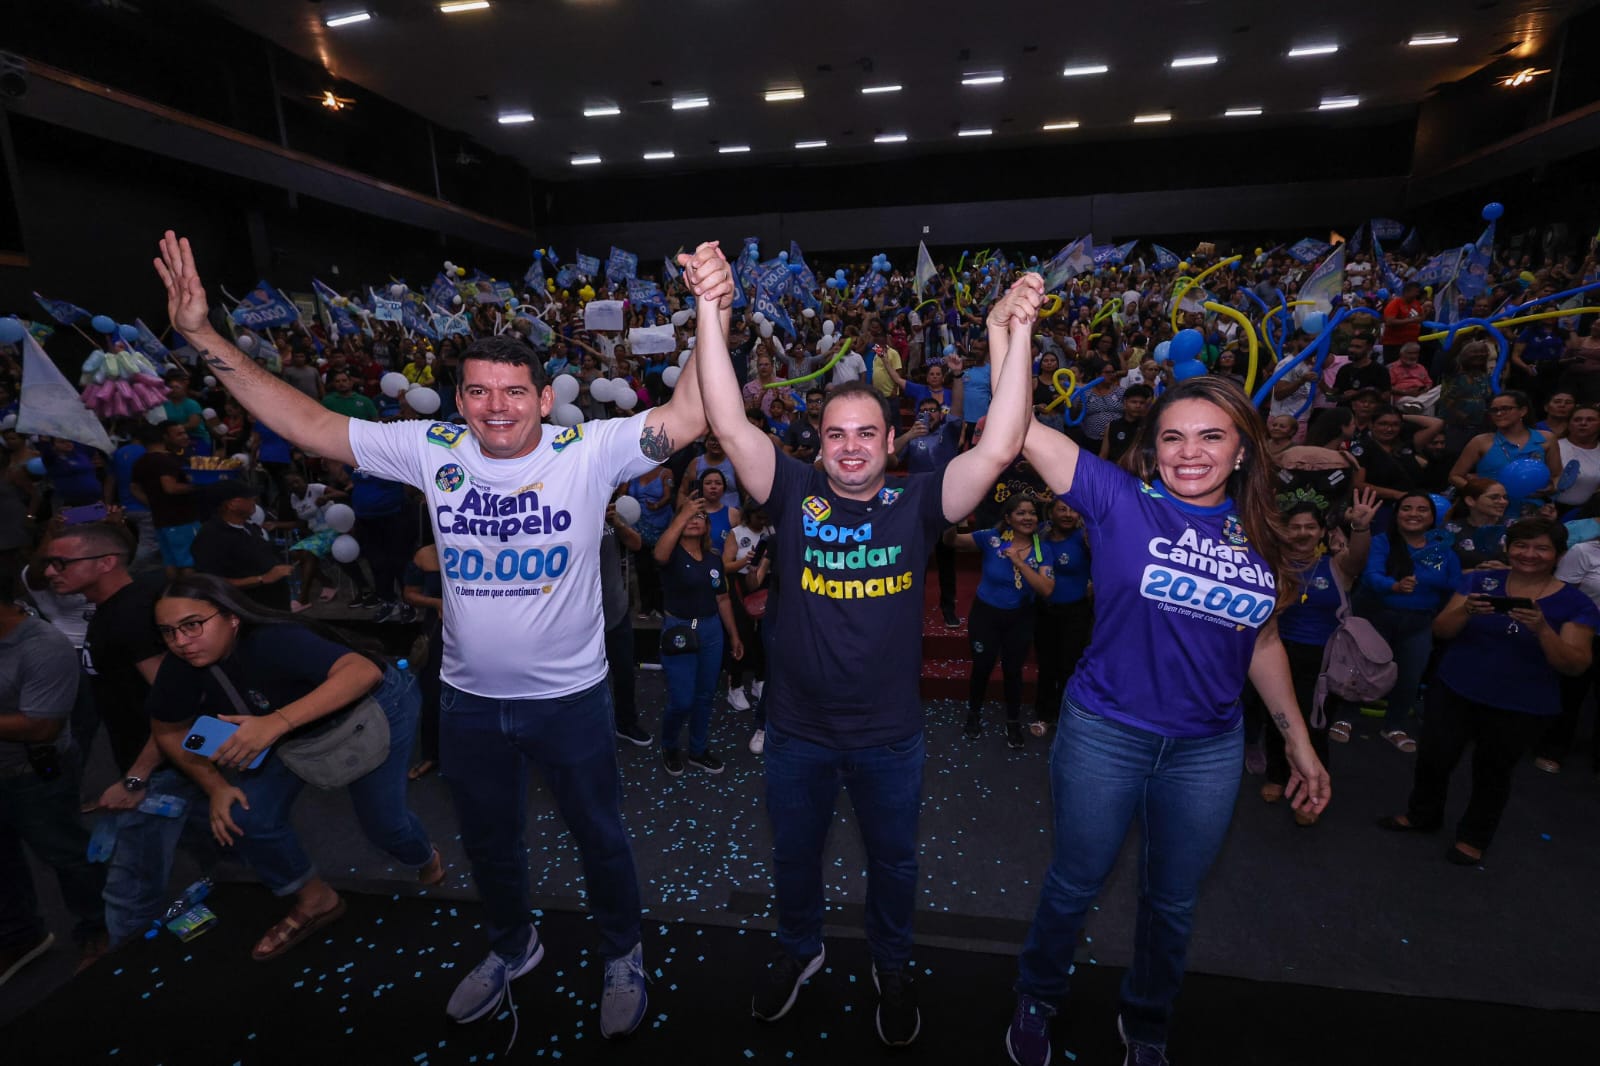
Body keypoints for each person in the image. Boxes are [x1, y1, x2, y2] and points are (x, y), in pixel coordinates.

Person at [155, 231, 715, 1037]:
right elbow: (309, 423)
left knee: (600, 838)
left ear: (544, 399)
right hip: (471, 704)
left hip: (569, 701)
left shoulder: (588, 451)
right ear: (459, 401)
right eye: (480, 393)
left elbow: (691, 413)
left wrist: (710, 309)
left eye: (515, 392)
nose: (497, 408)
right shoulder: (432, 449)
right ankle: (511, 945)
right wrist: (205, 337)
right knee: (489, 843)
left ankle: (623, 950)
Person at [695, 256, 1041, 1048]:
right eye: (835, 435)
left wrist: (1013, 334)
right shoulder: (789, 490)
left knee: (893, 866)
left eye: (866, 434)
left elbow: (1001, 444)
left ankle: (892, 963)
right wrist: (714, 312)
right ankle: (799, 950)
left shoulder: (920, 501)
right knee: (795, 861)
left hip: (889, 737)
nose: (851, 448)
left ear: (893, 440)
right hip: (797, 734)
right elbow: (728, 423)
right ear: (817, 445)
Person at [1003, 373, 1330, 1066]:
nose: (1189, 452)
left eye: (1211, 436)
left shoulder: (1264, 535)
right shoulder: (1121, 501)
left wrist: (1297, 742)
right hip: (1104, 735)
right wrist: (1013, 331)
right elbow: (1019, 429)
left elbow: (1262, 640)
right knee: (1074, 882)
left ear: (1243, 450)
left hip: (1207, 751)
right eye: (1172, 438)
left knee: (1172, 903)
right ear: (1152, 450)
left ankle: (1146, 1020)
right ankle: (1037, 995)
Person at [145, 574, 440, 959]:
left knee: (385, 825)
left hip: (370, 710)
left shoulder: (273, 640)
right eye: (168, 632)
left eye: (192, 625)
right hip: (286, 732)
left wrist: (275, 724)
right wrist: (215, 786)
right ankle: (316, 900)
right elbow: (166, 730)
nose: (180, 642)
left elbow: (361, 672)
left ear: (231, 617)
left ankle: (425, 857)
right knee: (245, 817)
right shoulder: (181, 665)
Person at [1380, 518, 1596, 865]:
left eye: (1541, 548)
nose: (1529, 554)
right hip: (1456, 688)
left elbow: (1575, 664)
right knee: (1434, 758)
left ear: (1558, 554)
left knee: (1493, 771)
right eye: (1521, 546)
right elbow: (1442, 631)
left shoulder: (1576, 604)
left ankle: (1473, 837)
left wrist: (1542, 629)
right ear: (1508, 549)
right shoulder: (1479, 581)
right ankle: (1422, 815)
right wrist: (1465, 610)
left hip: (1520, 704)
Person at [1254, 488, 1379, 809]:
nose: (1302, 533)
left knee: (1316, 726)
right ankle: (1277, 776)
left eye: (1310, 526)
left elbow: (1358, 559)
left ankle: (1312, 794)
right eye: (1294, 527)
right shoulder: (1271, 565)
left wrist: (1361, 528)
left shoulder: (1337, 566)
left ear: (1322, 531)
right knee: (1275, 718)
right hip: (1276, 655)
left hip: (1325, 661)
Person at [1357, 492, 1462, 753]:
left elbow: (1455, 585)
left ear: (1432, 516)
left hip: (1420, 622)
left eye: (1421, 509)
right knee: (1363, 669)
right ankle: (1346, 716)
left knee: (1410, 676)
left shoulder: (1443, 548)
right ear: (1397, 514)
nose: (1413, 514)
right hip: (1380, 615)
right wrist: (1394, 586)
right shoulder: (1383, 541)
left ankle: (1393, 725)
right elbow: (1370, 576)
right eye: (1407, 508)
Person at [946, 495, 1054, 747]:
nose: (1028, 518)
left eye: (1032, 513)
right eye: (1021, 513)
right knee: (982, 666)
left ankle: (1013, 722)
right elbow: (952, 542)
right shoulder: (991, 539)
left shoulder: (1042, 549)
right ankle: (973, 715)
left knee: (1013, 670)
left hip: (1020, 617)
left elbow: (1046, 589)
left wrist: (1019, 561)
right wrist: (951, 519)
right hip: (986, 615)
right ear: (1007, 518)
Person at [652, 487, 742, 775]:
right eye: (690, 516)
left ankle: (698, 749)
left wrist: (735, 635)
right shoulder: (671, 553)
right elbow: (658, 555)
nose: (695, 519)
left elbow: (723, 598)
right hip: (678, 629)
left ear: (707, 526)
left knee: (705, 696)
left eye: (700, 516)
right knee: (682, 698)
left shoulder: (714, 558)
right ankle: (669, 744)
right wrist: (684, 513)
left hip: (711, 629)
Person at [893, 355, 967, 626]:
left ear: (940, 413)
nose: (928, 412)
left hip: (945, 503)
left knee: (947, 560)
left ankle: (948, 608)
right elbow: (890, 459)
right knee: (917, 560)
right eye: (923, 409)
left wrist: (957, 376)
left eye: (933, 409)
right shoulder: (910, 438)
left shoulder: (948, 432)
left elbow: (958, 407)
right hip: (917, 506)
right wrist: (908, 435)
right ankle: (913, 607)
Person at [1030, 499, 1092, 735]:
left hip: (1076, 612)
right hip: (1044, 610)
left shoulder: (1085, 537)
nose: (1068, 514)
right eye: (1062, 509)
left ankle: (1069, 719)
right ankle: (1044, 715)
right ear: (1051, 512)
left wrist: (1094, 584)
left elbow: (1107, 563)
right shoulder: (1038, 535)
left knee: (1070, 666)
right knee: (1047, 665)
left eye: (1072, 509)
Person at [1448, 390, 1562, 516]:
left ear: (1523, 411)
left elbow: (1557, 474)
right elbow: (1455, 476)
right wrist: (1480, 494)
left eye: (1506, 409)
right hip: (1491, 513)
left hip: (1534, 512)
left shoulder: (1546, 438)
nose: (1499, 413)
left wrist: (1551, 488)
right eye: (1494, 410)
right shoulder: (1480, 441)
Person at [191, 481, 293, 611]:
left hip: (275, 606)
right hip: (250, 611)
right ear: (232, 504)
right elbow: (211, 582)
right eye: (248, 497)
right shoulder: (211, 536)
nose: (254, 500)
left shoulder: (248, 526)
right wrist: (262, 579)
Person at [600, 495, 648, 748]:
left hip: (615, 611)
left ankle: (626, 723)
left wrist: (616, 522)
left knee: (624, 672)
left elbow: (637, 544)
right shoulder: (566, 513)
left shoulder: (610, 518)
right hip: (578, 617)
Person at [131, 422, 202, 577]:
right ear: (164, 437)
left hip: (161, 519)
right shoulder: (165, 460)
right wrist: (199, 486)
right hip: (182, 518)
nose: (184, 437)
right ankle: (189, 596)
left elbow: (134, 488)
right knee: (189, 561)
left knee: (171, 562)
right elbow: (170, 487)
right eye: (179, 434)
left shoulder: (140, 462)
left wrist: (153, 503)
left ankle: (172, 594)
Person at [1442, 478, 1510, 570]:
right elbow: (1439, 571)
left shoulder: (1515, 527)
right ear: (1470, 501)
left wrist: (1507, 569)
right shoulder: (1449, 530)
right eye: (1494, 497)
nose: (1503, 502)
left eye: (1505, 497)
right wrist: (1473, 573)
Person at [1553, 404, 1600, 510]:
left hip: (1587, 514)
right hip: (1551, 509)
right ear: (1569, 425)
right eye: (1577, 420)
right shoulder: (1554, 446)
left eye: (1590, 420)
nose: (1583, 423)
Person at [1098, 383, 1152, 463]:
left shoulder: (1148, 427)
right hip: (1115, 470)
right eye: (1134, 402)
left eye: (1142, 403)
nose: (1138, 406)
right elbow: (1103, 455)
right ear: (1125, 403)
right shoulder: (1113, 426)